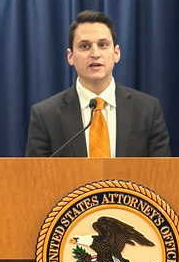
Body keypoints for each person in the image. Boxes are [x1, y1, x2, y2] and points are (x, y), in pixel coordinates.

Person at [25, 10, 170, 157]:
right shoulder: (46, 115)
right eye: (85, 46)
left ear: (116, 53)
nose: (95, 54)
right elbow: (37, 177)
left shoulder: (148, 110)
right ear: (70, 56)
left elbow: (161, 175)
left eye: (102, 45)